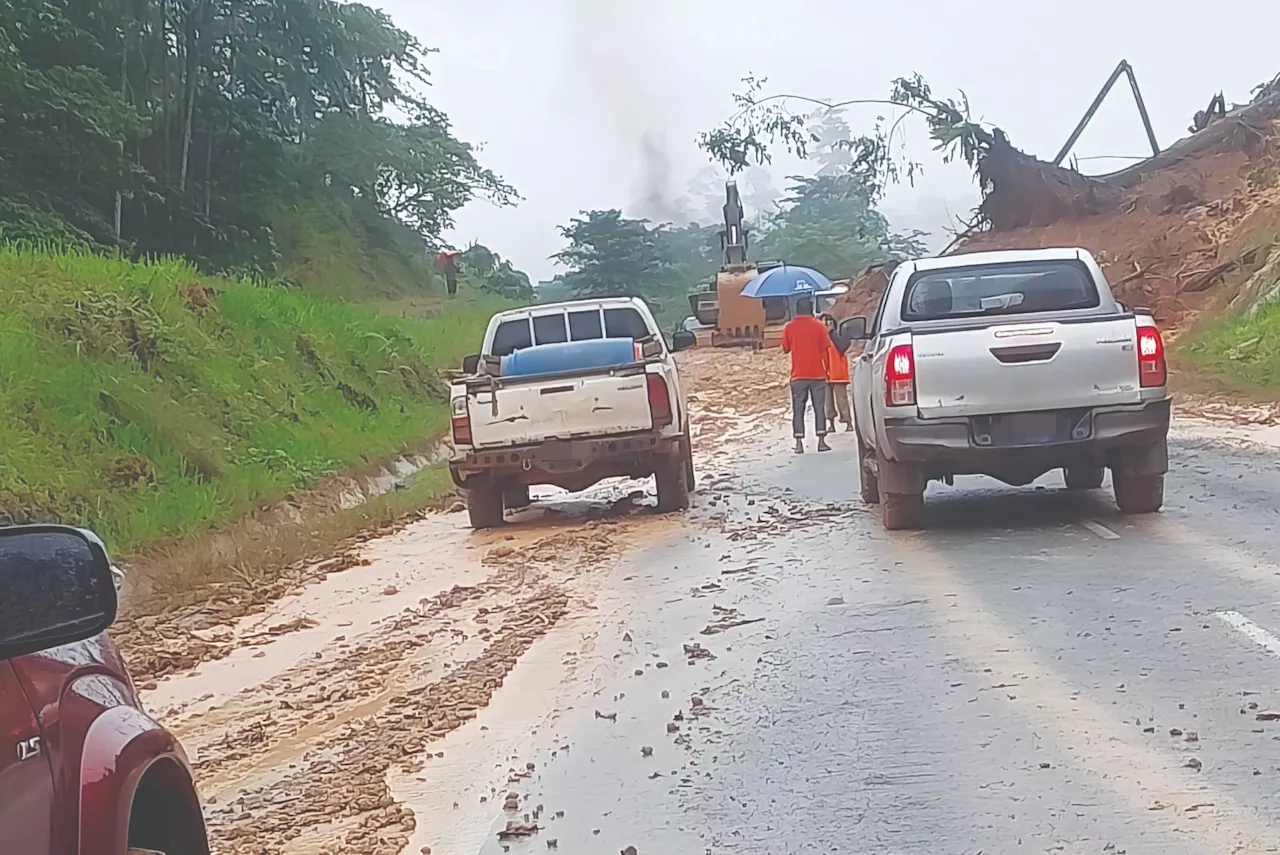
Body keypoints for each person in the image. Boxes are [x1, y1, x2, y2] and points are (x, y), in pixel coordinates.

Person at [780, 297, 831, 453]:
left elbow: (785, 348)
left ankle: (799, 443)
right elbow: (825, 351)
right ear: (811, 309)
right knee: (819, 408)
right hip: (817, 375)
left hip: (798, 376)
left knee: (798, 409)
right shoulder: (819, 326)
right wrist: (827, 370)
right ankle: (821, 441)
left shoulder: (789, 327)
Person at [821, 314, 854, 432]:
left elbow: (844, 345)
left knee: (842, 400)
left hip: (838, 373)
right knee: (828, 402)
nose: (826, 325)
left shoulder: (838, 336)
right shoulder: (820, 338)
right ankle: (831, 423)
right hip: (825, 373)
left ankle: (848, 422)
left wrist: (832, 333)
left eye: (828, 322)